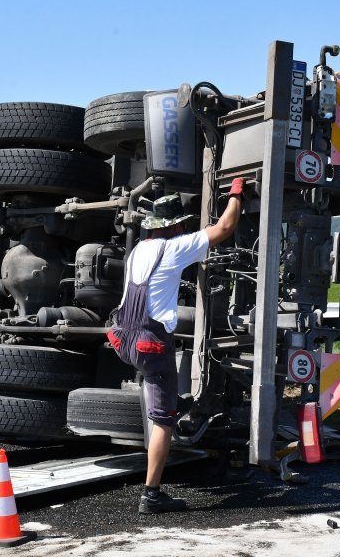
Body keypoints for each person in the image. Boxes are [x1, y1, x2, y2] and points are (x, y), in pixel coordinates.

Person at [107, 178, 244, 514]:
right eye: (182, 225)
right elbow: (224, 227)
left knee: (159, 394)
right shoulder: (175, 247)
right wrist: (238, 194)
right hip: (149, 344)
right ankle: (151, 496)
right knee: (163, 421)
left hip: (124, 339)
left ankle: (173, 404)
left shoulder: (140, 249)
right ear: (177, 225)